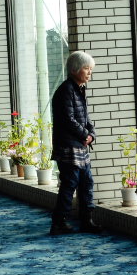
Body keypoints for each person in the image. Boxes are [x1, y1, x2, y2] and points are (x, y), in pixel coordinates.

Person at [50, 50, 102, 235]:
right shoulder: (66, 90)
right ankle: (59, 223)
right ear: (74, 70)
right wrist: (85, 135)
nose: (89, 72)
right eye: (86, 68)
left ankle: (87, 220)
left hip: (80, 144)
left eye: (90, 69)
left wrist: (91, 134)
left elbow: (86, 118)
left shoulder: (79, 89)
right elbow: (68, 119)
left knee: (87, 183)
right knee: (70, 184)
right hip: (68, 146)